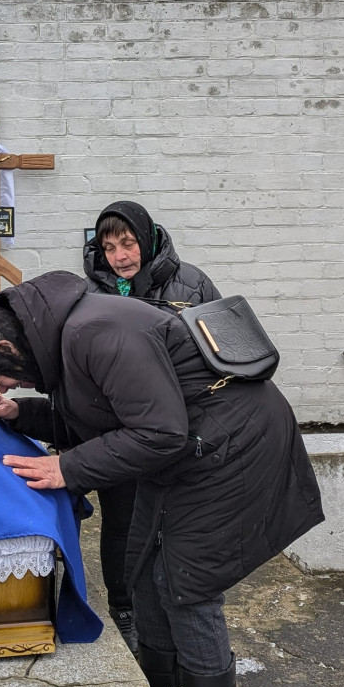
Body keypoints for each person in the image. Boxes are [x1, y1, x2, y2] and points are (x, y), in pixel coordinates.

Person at [0, 271, 323, 687]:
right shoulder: (66, 335)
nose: (2, 386)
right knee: (144, 571)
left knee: (186, 586)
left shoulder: (97, 331)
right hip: (188, 447)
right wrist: (21, 414)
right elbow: (101, 419)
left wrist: (68, 468)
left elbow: (157, 431)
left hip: (230, 446)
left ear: (10, 347)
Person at [82, 200, 221, 655]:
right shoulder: (93, 291)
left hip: (181, 423)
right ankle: (124, 607)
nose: (120, 256)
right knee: (120, 519)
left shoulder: (192, 283)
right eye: (109, 247)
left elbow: (222, 346)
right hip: (120, 426)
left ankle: (172, 606)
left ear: (149, 238)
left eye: (128, 243)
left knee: (176, 519)